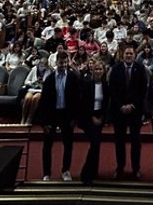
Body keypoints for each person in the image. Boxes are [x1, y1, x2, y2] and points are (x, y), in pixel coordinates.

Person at [34, 51, 80, 181]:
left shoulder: (73, 77)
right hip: (52, 115)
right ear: (56, 62)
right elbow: (43, 102)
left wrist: (74, 118)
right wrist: (43, 122)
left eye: (66, 63)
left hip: (67, 114)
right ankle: (46, 173)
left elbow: (77, 100)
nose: (63, 65)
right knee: (47, 146)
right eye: (61, 63)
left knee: (68, 145)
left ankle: (66, 170)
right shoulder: (49, 79)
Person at [108, 45, 148, 180]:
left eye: (131, 53)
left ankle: (136, 169)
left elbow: (143, 90)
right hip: (119, 111)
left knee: (135, 141)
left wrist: (132, 105)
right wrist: (121, 105)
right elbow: (112, 90)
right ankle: (120, 167)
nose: (129, 56)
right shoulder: (116, 69)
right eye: (127, 53)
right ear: (123, 55)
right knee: (119, 142)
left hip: (134, 111)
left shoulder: (140, 68)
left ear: (135, 55)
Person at [79, 60, 109, 184]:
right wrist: (92, 117)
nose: (98, 71)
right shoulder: (87, 84)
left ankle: (94, 172)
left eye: (100, 69)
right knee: (95, 143)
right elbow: (84, 103)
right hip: (88, 118)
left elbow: (106, 103)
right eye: (96, 69)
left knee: (96, 145)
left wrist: (101, 117)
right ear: (93, 70)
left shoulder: (106, 85)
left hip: (100, 116)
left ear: (103, 71)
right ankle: (85, 174)